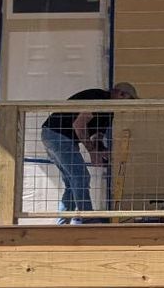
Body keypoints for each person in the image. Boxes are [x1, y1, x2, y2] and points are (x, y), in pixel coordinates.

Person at [41, 83, 137, 218]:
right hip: (58, 135)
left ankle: (62, 223)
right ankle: (87, 218)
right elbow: (79, 125)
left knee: (71, 182)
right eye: (129, 100)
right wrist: (92, 151)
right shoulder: (99, 98)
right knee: (81, 177)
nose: (128, 106)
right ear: (120, 94)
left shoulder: (109, 111)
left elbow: (97, 135)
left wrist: (101, 150)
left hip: (56, 136)